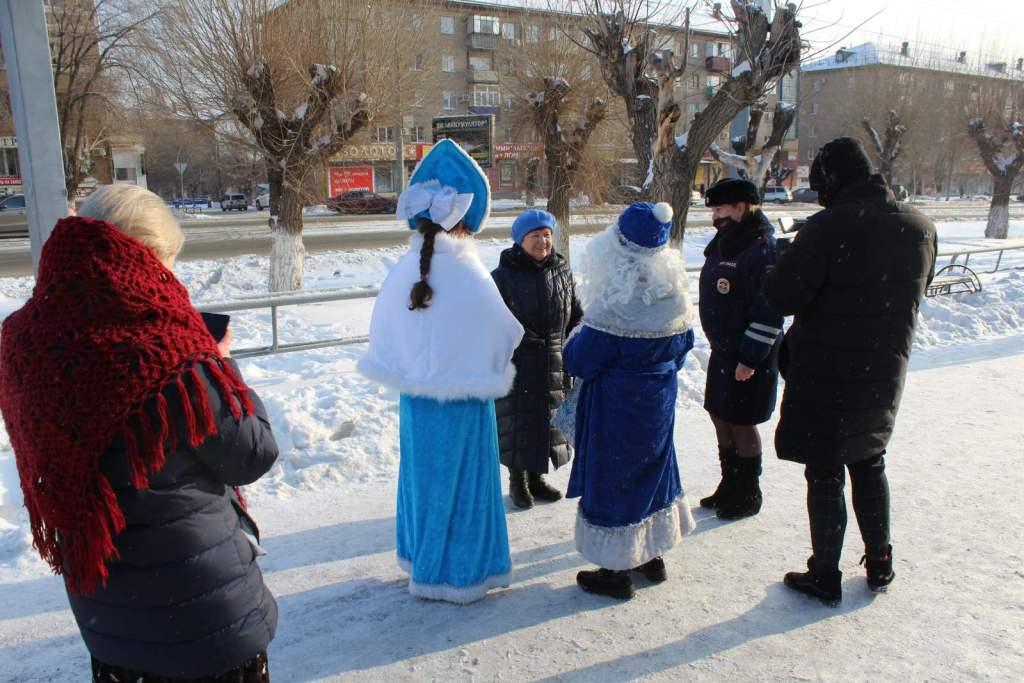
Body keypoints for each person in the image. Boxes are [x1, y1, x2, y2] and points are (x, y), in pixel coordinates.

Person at [0, 184, 279, 681]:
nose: (171, 279)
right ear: (143, 259)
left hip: (107, 613)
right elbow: (251, 454)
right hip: (203, 619)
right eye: (167, 263)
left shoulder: (23, 339)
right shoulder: (167, 354)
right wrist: (221, 364)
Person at [763, 137, 937, 606]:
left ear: (834, 179)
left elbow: (781, 297)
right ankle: (880, 561)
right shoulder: (920, 227)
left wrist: (784, 260)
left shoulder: (825, 230)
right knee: (869, 459)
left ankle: (825, 574)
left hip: (826, 373)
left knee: (825, 473)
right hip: (883, 371)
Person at [358, 139, 525, 604]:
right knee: (465, 485)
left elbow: (385, 331)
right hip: (465, 403)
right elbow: (506, 331)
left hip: (416, 404)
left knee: (423, 482)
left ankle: (421, 562)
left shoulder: (403, 270)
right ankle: (461, 576)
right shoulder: (470, 274)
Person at [564, 202, 697, 600]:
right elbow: (684, 346)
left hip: (616, 406)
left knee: (614, 479)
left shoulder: (614, 307)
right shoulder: (673, 297)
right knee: (652, 473)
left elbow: (580, 360)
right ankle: (650, 556)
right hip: (658, 402)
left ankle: (615, 570)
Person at [698, 178, 784, 520]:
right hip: (724, 350)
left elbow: (769, 309)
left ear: (741, 207)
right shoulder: (726, 242)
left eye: (720, 209)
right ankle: (729, 483)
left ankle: (749, 492)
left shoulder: (760, 247)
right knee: (720, 416)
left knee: (742, 423)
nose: (715, 216)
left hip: (750, 354)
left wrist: (750, 358)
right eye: (714, 210)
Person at [491, 209, 583, 509]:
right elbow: (494, 322)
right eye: (535, 236)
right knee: (519, 423)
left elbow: (574, 312)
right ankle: (518, 481)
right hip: (519, 363)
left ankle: (537, 477)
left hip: (555, 360)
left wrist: (579, 338)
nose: (543, 241)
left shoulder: (562, 270)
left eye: (547, 235)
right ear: (520, 241)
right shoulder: (502, 277)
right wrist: (521, 341)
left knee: (547, 422)